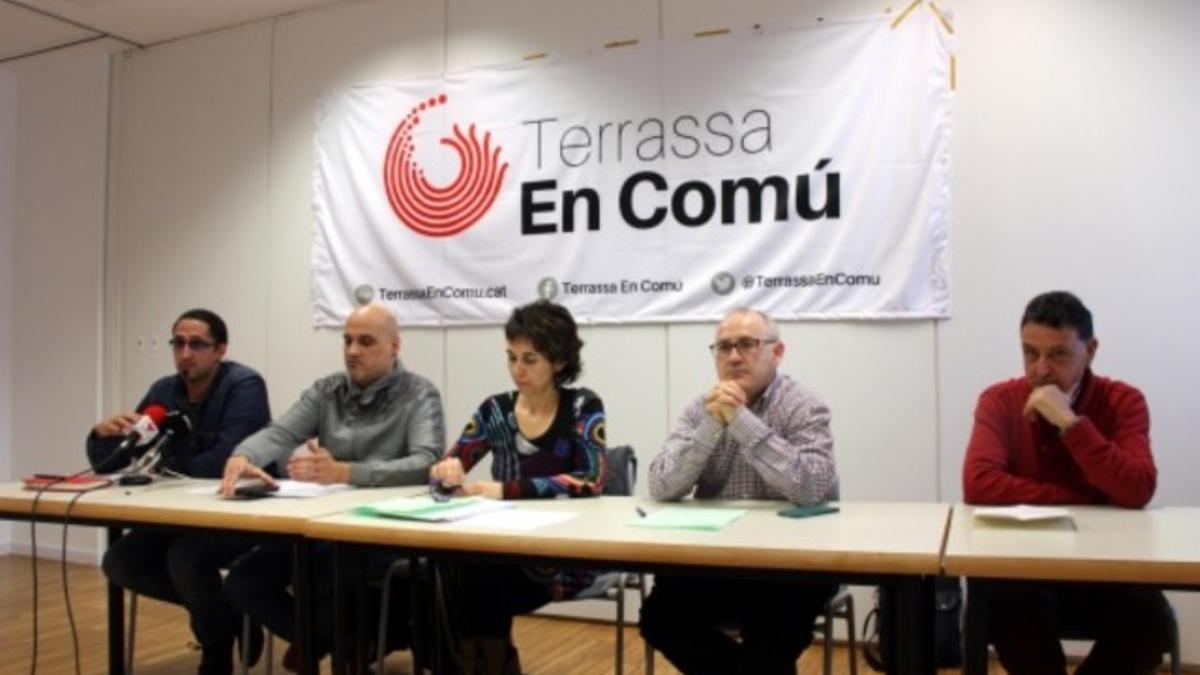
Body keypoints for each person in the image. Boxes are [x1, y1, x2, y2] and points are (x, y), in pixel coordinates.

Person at [220, 303, 444, 669]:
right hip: (323, 524)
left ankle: (342, 643)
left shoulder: (419, 394)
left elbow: (425, 464)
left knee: (324, 571)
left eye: (366, 341)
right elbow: (281, 433)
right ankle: (338, 638)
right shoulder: (327, 391)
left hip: (384, 530)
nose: (353, 351)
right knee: (244, 581)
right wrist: (243, 455)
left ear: (394, 347)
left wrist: (344, 473)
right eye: (348, 341)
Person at [962, 290, 1172, 674]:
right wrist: (1085, 497)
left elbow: (1138, 487)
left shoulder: (1123, 401)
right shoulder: (999, 400)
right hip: (1026, 565)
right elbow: (979, 483)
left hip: (1108, 567)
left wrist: (1071, 424)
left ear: (1090, 351)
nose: (1040, 369)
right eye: (1029, 353)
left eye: (1057, 354)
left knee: (1149, 619)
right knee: (1002, 604)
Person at [639, 307, 838, 675]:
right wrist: (712, 424)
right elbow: (662, 484)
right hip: (719, 558)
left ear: (776, 352)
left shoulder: (804, 406)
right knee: (659, 617)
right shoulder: (702, 409)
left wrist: (740, 420)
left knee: (771, 637)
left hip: (791, 565)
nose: (733, 357)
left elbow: (810, 487)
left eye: (746, 345)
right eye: (723, 347)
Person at [87, 308, 271, 675]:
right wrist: (100, 435)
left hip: (241, 510)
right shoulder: (163, 391)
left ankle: (215, 654)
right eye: (179, 343)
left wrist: (162, 464)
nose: (185, 353)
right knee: (119, 562)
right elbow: (114, 462)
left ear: (220, 350)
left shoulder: (244, 385)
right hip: (179, 510)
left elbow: (224, 460)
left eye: (197, 344)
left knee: (186, 558)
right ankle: (227, 612)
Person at [429, 300, 606, 675]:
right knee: (450, 568)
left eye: (530, 359)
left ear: (558, 362)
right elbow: (446, 468)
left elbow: (590, 480)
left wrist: (503, 490)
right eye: (511, 357)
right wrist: (447, 472)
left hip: (560, 554)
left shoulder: (581, 406)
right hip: (499, 546)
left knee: (475, 577)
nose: (517, 370)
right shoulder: (495, 410)